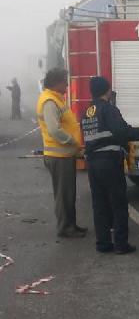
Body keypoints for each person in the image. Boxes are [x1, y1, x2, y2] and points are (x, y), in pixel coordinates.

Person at [80, 76, 139, 254]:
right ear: (107, 91)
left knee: (99, 204)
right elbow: (120, 132)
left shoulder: (87, 112)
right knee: (118, 203)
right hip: (109, 161)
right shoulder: (109, 110)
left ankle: (103, 244)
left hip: (93, 162)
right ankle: (121, 244)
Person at [36, 69, 86, 239]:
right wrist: (73, 141)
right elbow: (54, 130)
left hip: (64, 155)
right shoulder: (50, 101)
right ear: (56, 82)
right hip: (59, 156)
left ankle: (71, 224)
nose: (67, 84)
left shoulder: (56, 99)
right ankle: (65, 227)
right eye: (64, 81)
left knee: (68, 193)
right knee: (63, 194)